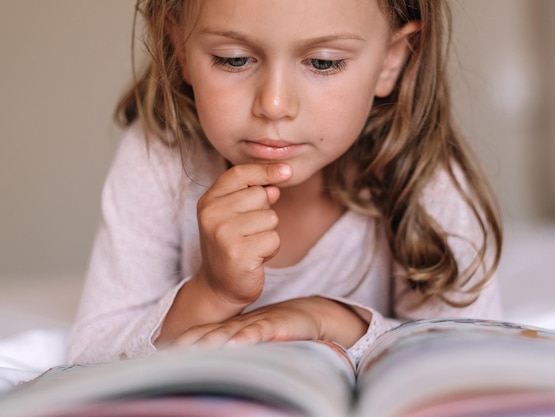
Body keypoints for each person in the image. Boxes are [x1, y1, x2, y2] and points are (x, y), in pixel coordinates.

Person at [68, 0, 503, 364]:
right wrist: (212, 293)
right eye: (233, 59)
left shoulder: (426, 177)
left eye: (323, 62)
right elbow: (88, 358)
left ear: (392, 60)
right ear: (180, 46)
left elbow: (467, 358)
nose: (274, 105)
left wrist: (331, 320)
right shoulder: (160, 155)